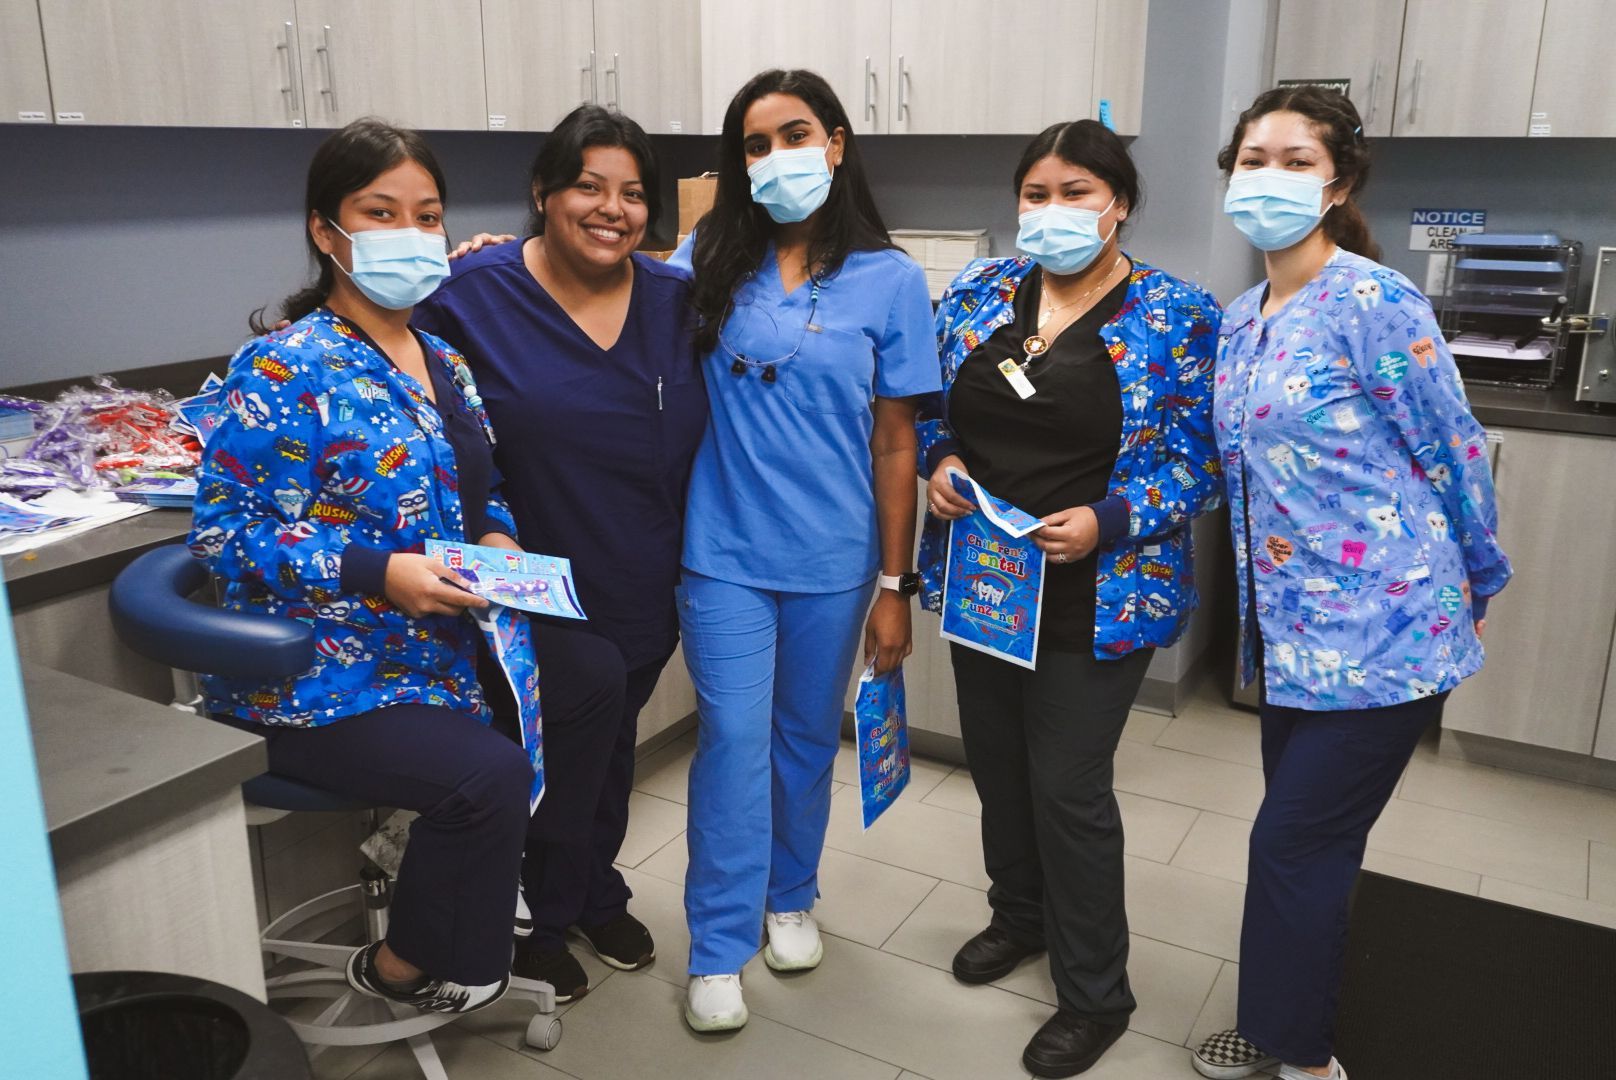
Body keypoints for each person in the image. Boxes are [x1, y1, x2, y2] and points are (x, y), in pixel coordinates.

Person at [189, 118, 621, 1016]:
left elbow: (484, 487)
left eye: (428, 216)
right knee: (487, 776)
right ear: (325, 230)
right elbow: (226, 534)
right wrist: (375, 572)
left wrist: (498, 538)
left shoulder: (445, 362)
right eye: (380, 212)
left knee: (592, 677)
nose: (411, 235)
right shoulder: (282, 367)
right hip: (323, 667)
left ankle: (518, 895)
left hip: (442, 640)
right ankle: (409, 963)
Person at [1190, 86, 1511, 1080]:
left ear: (1336, 183)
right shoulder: (1243, 319)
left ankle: (1301, 1057)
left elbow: (1454, 448)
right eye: (1252, 159)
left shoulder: (1372, 302)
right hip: (1288, 642)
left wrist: (1476, 574)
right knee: (1306, 848)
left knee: (1290, 846)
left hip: (1385, 635)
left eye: (1294, 160)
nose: (1267, 178)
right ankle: (1286, 1016)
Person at [917, 120, 1223, 1078]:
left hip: (1102, 590)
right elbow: (927, 407)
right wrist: (942, 460)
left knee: (1069, 787)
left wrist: (1113, 518)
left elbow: (1203, 462)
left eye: (1076, 193)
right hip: (989, 579)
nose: (1052, 212)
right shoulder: (974, 295)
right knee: (999, 766)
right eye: (1037, 194)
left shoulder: (1176, 313)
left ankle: (1097, 992)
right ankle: (1020, 917)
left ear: (1119, 203)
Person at [667, 68, 941, 1032]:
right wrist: (504, 257)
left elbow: (897, 440)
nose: (774, 157)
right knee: (733, 740)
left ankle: (792, 896)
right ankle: (716, 943)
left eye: (793, 134)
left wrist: (896, 584)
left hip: (836, 559)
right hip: (723, 551)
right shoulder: (706, 255)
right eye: (753, 143)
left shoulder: (893, 279)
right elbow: (609, 306)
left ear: (835, 142)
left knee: (800, 741)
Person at [414, 104, 706, 1001]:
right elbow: (375, 360)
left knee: (609, 747)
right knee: (547, 750)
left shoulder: (675, 298)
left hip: (643, 570)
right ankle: (533, 914)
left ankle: (585, 891)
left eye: (631, 193)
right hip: (523, 578)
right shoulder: (472, 293)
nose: (611, 208)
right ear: (544, 193)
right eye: (588, 185)